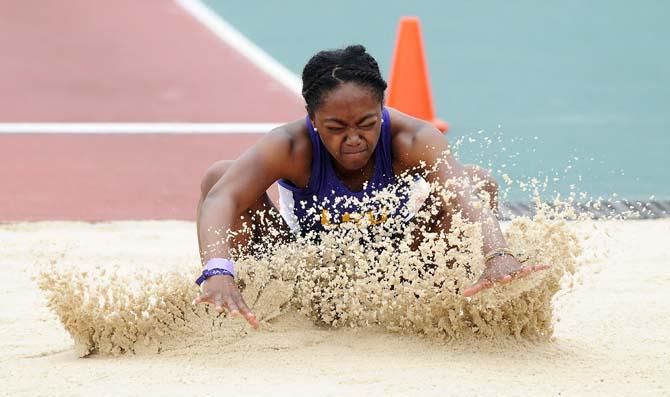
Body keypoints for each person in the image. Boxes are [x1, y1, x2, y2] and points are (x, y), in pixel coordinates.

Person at [193, 45, 549, 328]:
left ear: (382, 107)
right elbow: (221, 197)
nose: (353, 139)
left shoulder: (411, 138)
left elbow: (464, 194)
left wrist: (499, 254)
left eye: (366, 123)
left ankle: (446, 313)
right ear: (312, 116)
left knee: (478, 181)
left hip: (398, 276)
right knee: (218, 176)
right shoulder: (290, 146)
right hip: (305, 277)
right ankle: (232, 301)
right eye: (335, 128)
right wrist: (218, 270)